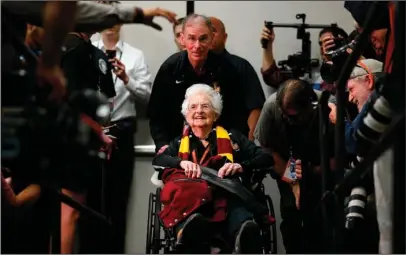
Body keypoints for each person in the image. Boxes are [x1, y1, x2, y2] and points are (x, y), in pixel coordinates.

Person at [152, 84, 275, 254]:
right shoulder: (179, 143)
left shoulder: (233, 137)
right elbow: (159, 159)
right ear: (186, 115)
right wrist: (181, 163)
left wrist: (240, 166)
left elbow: (265, 158)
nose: (199, 111)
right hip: (194, 201)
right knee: (193, 215)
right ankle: (190, 235)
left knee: (239, 213)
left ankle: (244, 236)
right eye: (193, 107)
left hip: (228, 196)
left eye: (205, 106)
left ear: (215, 113)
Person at [93, 1, 152, 252]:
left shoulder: (135, 55)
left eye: (115, 16)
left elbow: (148, 97)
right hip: (92, 131)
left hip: (122, 131)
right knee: (91, 201)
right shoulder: (85, 51)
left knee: (118, 202)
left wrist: (127, 79)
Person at [148, 14, 255, 153]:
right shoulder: (170, 69)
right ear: (182, 39)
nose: (197, 46)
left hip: (218, 146)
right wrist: (162, 144)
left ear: (211, 39)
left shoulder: (226, 70)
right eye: (191, 38)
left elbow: (238, 115)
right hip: (177, 145)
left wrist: (235, 143)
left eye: (203, 38)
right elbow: (156, 115)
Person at [254, 78, 336, 253]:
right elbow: (265, 147)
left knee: (321, 219)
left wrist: (314, 170)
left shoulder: (327, 106)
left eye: (293, 116)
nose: (286, 119)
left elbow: (339, 154)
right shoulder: (272, 106)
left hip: (320, 167)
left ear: (309, 106)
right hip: (286, 163)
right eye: (283, 113)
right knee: (291, 216)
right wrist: (292, 179)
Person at [209, 17, 266, 140]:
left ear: (224, 37)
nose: (209, 35)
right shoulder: (194, 66)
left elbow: (255, 105)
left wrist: (249, 138)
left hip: (235, 139)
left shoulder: (240, 66)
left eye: (213, 30)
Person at [260, 25, 348, 90]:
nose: (324, 47)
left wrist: (332, 60)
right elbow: (272, 77)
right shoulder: (312, 76)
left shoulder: (354, 72)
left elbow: (335, 89)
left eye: (329, 42)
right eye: (321, 44)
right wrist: (268, 45)